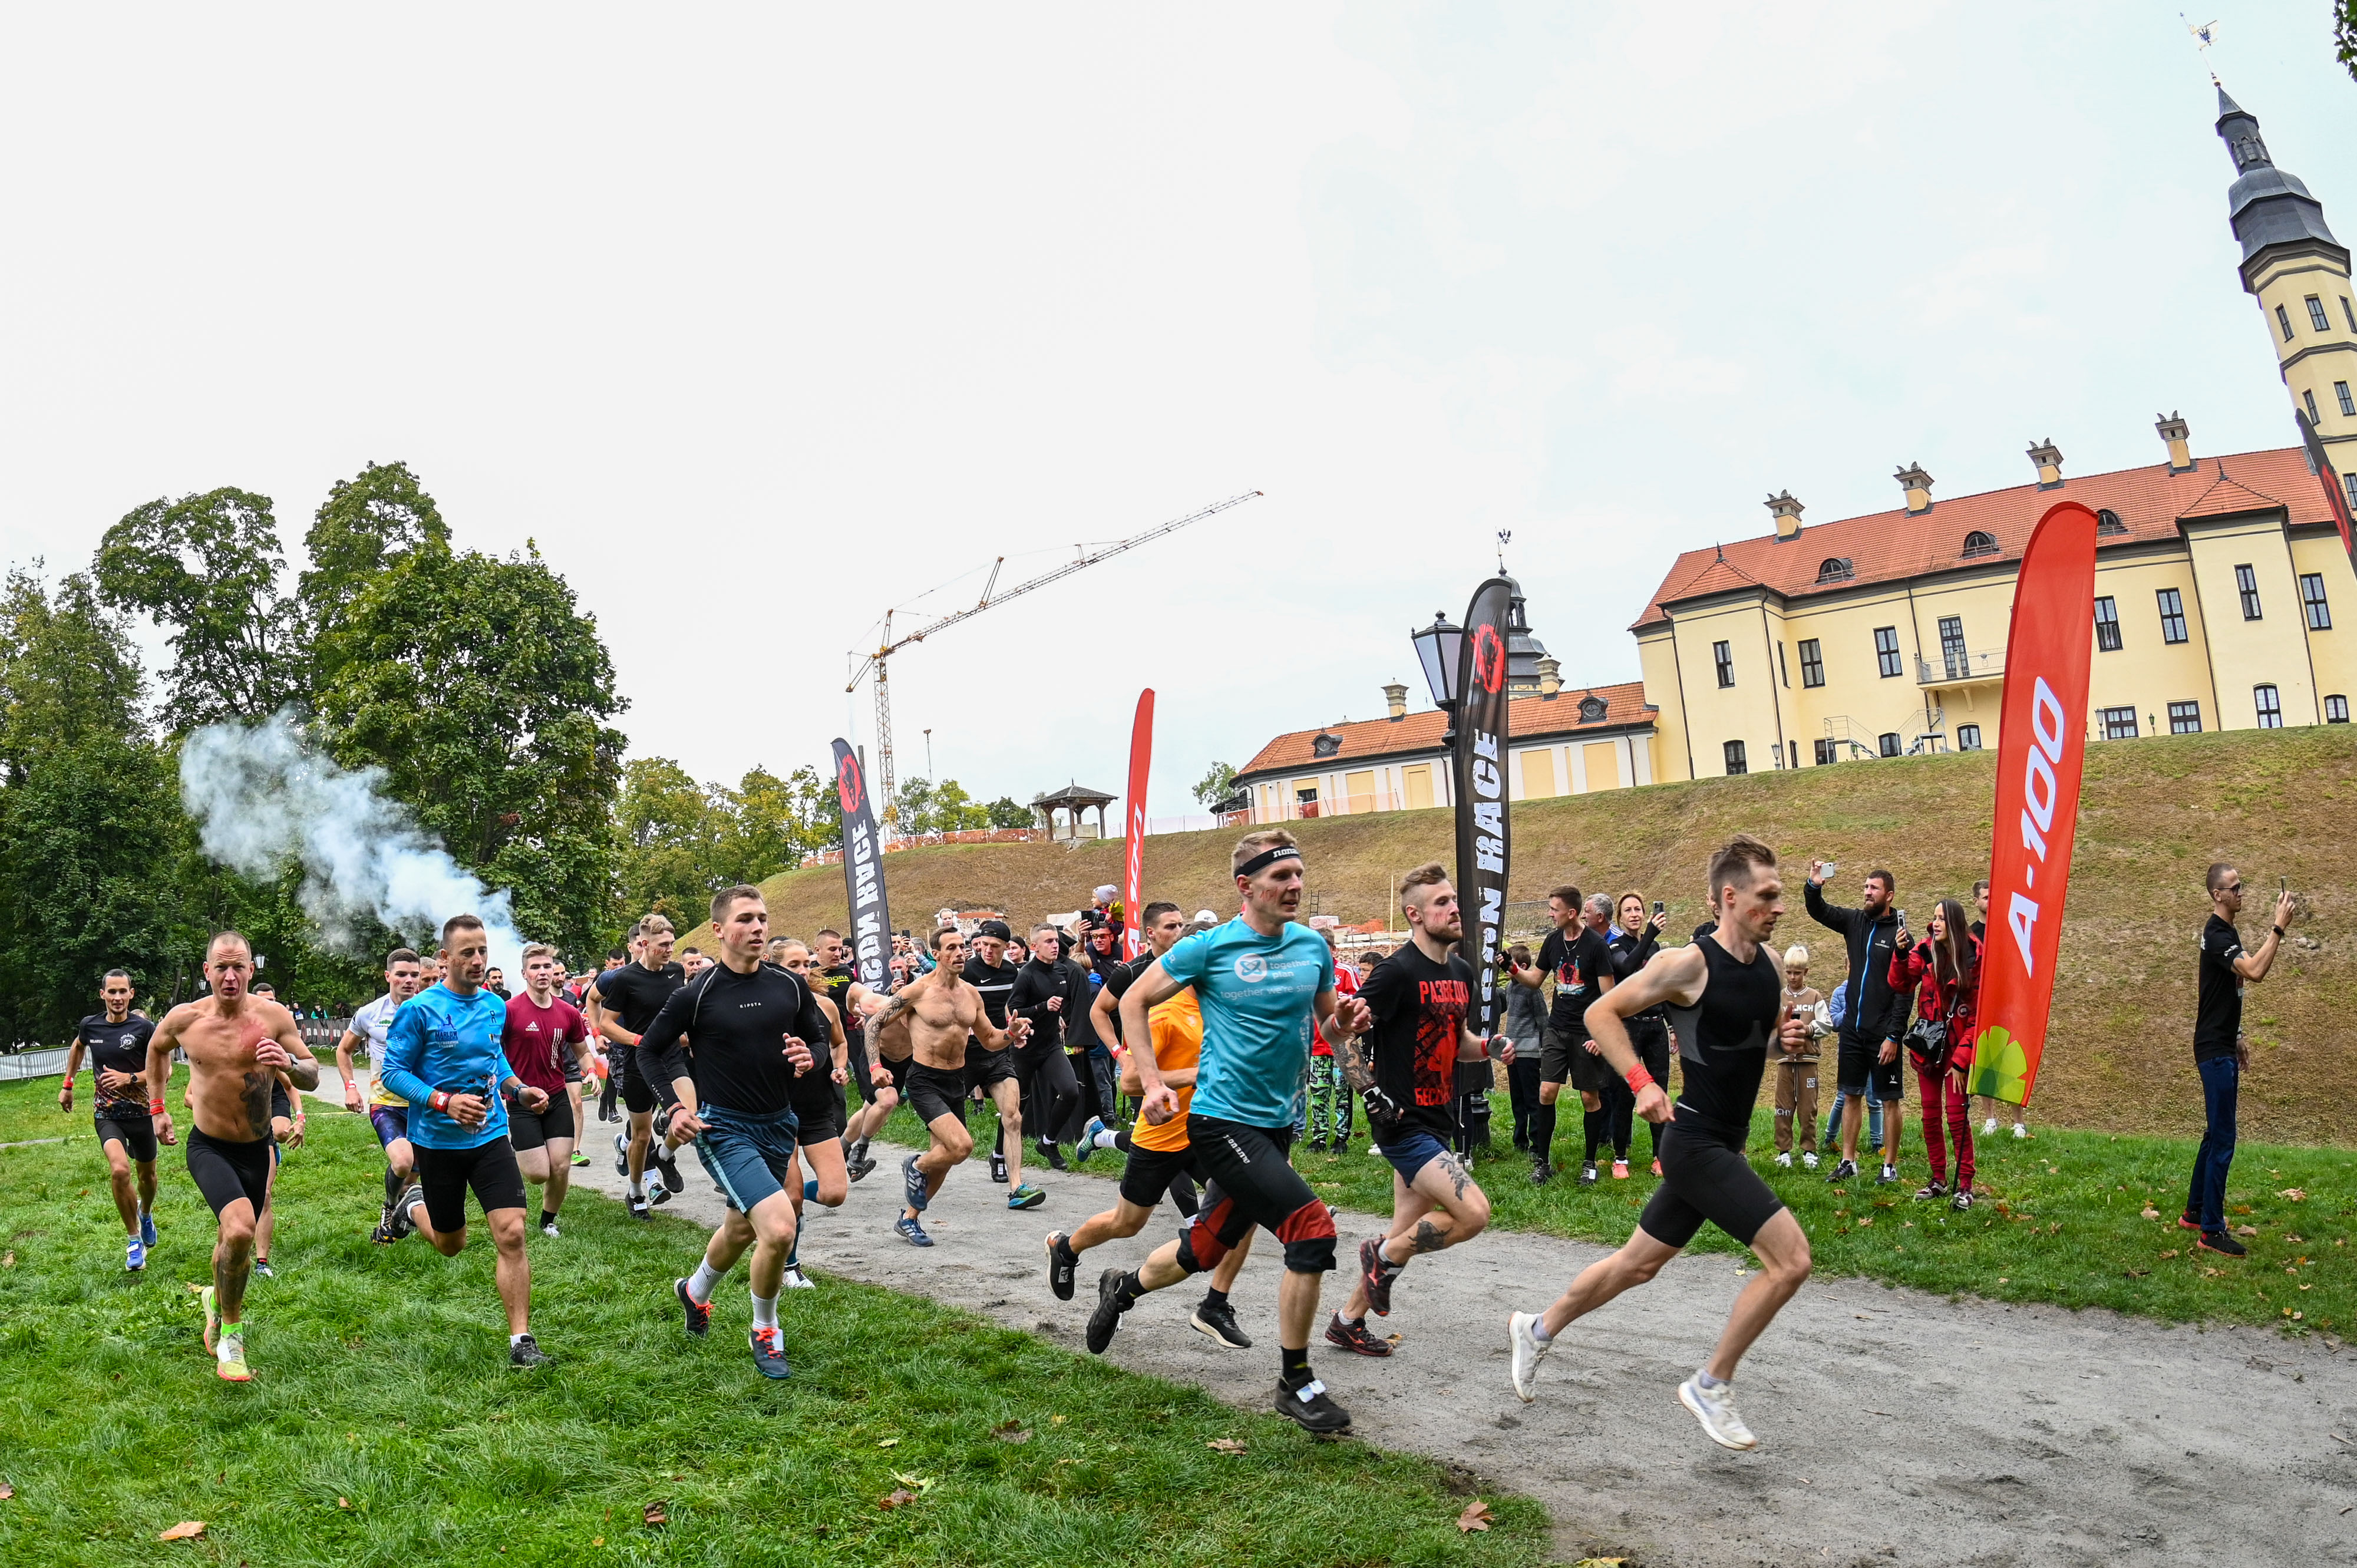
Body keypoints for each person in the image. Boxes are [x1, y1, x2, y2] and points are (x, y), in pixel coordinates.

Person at [1506, 836, 1814, 1451]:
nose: (1779, 906)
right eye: (1768, 895)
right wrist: (1642, 1082)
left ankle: (1536, 1329)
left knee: (1637, 1264)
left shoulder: (1774, 966)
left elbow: (1758, 1048)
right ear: (1730, 897)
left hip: (1727, 1142)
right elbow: (1600, 1014)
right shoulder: (1687, 964)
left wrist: (1787, 1045)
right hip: (1694, 1140)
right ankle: (1711, 1384)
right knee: (1792, 1261)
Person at [1093, 830, 1371, 1435]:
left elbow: (1331, 1024)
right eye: (1281, 877)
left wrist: (1356, 1056)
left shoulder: (1311, 948)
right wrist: (1151, 1077)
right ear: (1246, 887)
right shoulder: (1210, 949)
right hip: (1220, 1119)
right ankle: (1296, 1382)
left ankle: (1121, 1289)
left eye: (1299, 874)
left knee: (1205, 1250)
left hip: (1276, 1124)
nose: (1294, 886)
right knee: (1310, 1227)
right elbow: (1132, 1002)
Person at [1044, 918, 1259, 1352]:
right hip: (1161, 1135)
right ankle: (1066, 1248)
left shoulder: (1226, 1009)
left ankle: (1216, 1302)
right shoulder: (1165, 1010)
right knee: (1127, 1223)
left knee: (1247, 1201)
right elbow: (1129, 1084)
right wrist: (1195, 1074)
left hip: (1208, 1132)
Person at [1324, 864, 1507, 1358]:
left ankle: (1346, 1321)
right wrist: (1368, 1092)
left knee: (1408, 1227)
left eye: (1454, 899)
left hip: (1438, 1117)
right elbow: (1335, 1034)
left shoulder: (1462, 972)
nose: (1454, 908)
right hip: (1403, 1124)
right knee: (1473, 1214)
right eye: (1442, 902)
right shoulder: (1396, 971)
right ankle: (1380, 1255)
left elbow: (1461, 1043)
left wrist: (1489, 1047)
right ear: (1415, 914)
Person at [643, 888, 828, 1375]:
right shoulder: (695, 994)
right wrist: (673, 1107)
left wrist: (813, 1057)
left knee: (741, 1226)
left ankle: (695, 1291)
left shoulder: (789, 985)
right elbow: (649, 1052)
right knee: (780, 1226)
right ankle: (766, 1329)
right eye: (746, 919)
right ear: (720, 930)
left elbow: (818, 1038)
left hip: (779, 1123)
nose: (759, 927)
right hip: (724, 1128)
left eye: (763, 918)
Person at [144, 932, 321, 1381]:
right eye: (221, 967)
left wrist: (286, 1061)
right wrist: (159, 1109)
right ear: (207, 971)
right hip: (209, 1145)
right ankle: (232, 1337)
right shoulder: (185, 1019)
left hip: (257, 1148)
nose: (230, 975)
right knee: (241, 1230)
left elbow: (313, 1075)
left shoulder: (274, 1016)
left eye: (238, 966)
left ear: (251, 969)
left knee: (231, 1242)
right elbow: (156, 1051)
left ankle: (215, 1303)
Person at [382, 915, 554, 1368]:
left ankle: (522, 1342)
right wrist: (443, 1101)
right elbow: (392, 1073)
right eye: (467, 953)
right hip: (437, 1142)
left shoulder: (496, 1005)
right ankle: (411, 1207)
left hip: (491, 1135)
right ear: (444, 958)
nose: (478, 961)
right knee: (450, 1243)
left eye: (483, 951)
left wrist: (518, 1089)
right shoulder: (419, 1009)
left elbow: (495, 1055)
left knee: (512, 1232)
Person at [882, 926, 1032, 1246]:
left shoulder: (970, 994)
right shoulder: (917, 991)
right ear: (935, 954)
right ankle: (916, 1164)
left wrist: (1011, 1033)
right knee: (961, 1147)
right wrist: (873, 1065)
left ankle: (909, 1219)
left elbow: (991, 1039)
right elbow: (875, 1022)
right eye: (950, 948)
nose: (959, 953)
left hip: (955, 1079)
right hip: (924, 1080)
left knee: (946, 1158)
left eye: (962, 946)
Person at [2183, 865, 2299, 1257]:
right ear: (2217, 894)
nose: (2241, 892)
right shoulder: (2217, 935)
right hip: (2213, 1053)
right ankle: (2211, 1230)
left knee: (2213, 1134)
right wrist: (2278, 928)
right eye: (2234, 888)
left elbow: (2227, 989)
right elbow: (2255, 971)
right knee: (2223, 1140)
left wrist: (2237, 1035)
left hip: (2221, 1045)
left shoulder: (2226, 933)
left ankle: (2195, 1212)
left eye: (2241, 886)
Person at [1804, 863, 1908, 1184]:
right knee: (1851, 1095)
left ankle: (1889, 1166)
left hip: (1883, 1035)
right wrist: (1814, 884)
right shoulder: (1854, 921)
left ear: (1889, 896)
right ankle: (1848, 1161)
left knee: (1889, 1100)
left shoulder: (1900, 937)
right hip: (1852, 1030)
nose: (1867, 892)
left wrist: (1893, 1035)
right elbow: (1819, 910)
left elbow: (1905, 992)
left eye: (1874, 888)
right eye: (1865, 887)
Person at [1504, 884, 1615, 1185]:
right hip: (1556, 1030)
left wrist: (1600, 1036)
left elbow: (1609, 997)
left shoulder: (1596, 945)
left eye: (1554, 909)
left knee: (1589, 1097)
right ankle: (1543, 1161)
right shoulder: (1553, 942)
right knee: (1546, 1092)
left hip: (1585, 1034)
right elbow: (1535, 981)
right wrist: (1512, 968)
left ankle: (1590, 1163)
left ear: (1572, 913)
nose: (1550, 914)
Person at [587, 916, 688, 1218]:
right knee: (641, 1135)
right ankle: (635, 1192)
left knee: (687, 1116)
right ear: (644, 944)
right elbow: (606, 1024)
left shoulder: (676, 972)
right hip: (638, 1061)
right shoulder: (624, 978)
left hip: (671, 1056)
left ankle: (665, 1155)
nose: (670, 950)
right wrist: (640, 1041)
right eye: (664, 945)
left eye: (672, 943)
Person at [61, 970, 160, 1271]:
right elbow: (79, 1047)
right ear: (102, 994)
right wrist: (68, 1085)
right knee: (119, 1170)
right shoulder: (90, 1026)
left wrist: (129, 1078)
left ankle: (145, 1214)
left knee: (148, 1179)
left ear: (131, 994)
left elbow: (161, 1073)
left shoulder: (144, 1029)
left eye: (123, 992)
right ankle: (133, 1241)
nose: (117, 998)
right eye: (112, 992)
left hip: (141, 1114)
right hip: (107, 1114)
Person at [769, 939, 854, 1289]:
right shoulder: (765, 1010)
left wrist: (839, 1067)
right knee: (790, 1195)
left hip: (818, 1109)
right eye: (794, 965)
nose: (804, 971)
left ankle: (779, 1198)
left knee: (835, 1192)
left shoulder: (824, 1005)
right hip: (778, 1111)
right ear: (773, 967)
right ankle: (790, 1266)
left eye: (806, 964)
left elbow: (838, 1042)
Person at [333, 949, 429, 1242]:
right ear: (388, 976)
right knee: (402, 1162)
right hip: (386, 1104)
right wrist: (351, 1087)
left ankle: (402, 1212)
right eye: (401, 974)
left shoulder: (431, 1009)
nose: (409, 980)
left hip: (424, 1104)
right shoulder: (370, 1013)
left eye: (415, 975)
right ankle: (389, 1208)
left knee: (413, 1173)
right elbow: (343, 1050)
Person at [1889, 900, 1979, 1209]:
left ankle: (1965, 1184)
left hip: (1957, 1050)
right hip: (1929, 1047)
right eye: (1934, 917)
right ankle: (1938, 1179)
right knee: (1930, 1114)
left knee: (1957, 1117)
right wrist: (1900, 954)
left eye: (1941, 918)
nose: (1935, 923)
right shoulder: (1926, 950)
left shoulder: (1975, 956)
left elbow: (1979, 1017)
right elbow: (1901, 984)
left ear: (1954, 922)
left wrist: (1961, 1061)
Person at [505, 943, 596, 1237]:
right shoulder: (510, 1011)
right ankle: (513, 1148)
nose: (542, 972)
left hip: (556, 1096)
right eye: (535, 967)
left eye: (547, 967)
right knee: (538, 1174)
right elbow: (494, 1055)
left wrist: (591, 1071)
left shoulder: (568, 1012)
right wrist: (514, 1088)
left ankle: (548, 1221)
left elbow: (582, 1052)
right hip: (523, 1099)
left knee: (560, 1166)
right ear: (524, 974)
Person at [960, 920, 1038, 1203]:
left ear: (1007, 948)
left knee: (1013, 1117)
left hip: (996, 1055)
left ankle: (1016, 1187)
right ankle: (923, 1168)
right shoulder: (966, 972)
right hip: (964, 1056)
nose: (988, 951)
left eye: (995, 947)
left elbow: (1006, 1005)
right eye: (983, 946)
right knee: (950, 1131)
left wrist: (1013, 1029)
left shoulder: (1010, 971)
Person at [1008, 922, 1086, 1177]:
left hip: (1051, 1046)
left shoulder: (1062, 971)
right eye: (1049, 942)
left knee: (1071, 1092)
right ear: (1034, 947)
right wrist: (1044, 1008)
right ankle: (998, 1155)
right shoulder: (1027, 975)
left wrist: (1058, 1017)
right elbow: (1014, 1012)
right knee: (1014, 1106)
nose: (1055, 946)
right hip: (1026, 1049)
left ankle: (1048, 1141)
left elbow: (1056, 1006)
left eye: (1056, 941)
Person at [1608, 892, 1672, 1177]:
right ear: (1619, 918)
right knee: (1625, 1093)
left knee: (1659, 1091)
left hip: (1655, 1024)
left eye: (1638, 909)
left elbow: (1662, 987)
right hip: (1629, 1027)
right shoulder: (1614, 945)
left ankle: (1660, 1156)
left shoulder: (1655, 946)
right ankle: (1620, 1157)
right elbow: (1626, 966)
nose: (1634, 914)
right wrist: (1649, 935)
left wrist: (1673, 1027)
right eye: (1628, 910)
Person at [1302, 927, 1360, 1154]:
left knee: (1342, 1092)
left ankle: (1341, 1137)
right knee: (1318, 1093)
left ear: (1333, 950)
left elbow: (1358, 1001)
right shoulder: (1307, 974)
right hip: (1317, 1047)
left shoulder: (1344, 973)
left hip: (1341, 1045)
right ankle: (1319, 1137)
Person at [1772, 945, 1824, 1170]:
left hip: (1808, 1061)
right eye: (1789, 972)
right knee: (1783, 1106)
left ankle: (1809, 1150)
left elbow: (1826, 1024)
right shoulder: (1779, 997)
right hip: (1785, 1061)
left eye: (1798, 973)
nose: (1793, 977)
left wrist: (1809, 1029)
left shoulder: (1814, 996)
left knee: (1807, 1107)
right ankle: (1784, 1151)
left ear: (1807, 972)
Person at [1500, 944, 1547, 1156]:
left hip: (1529, 1053)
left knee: (1531, 1100)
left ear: (1523, 966)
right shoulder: (1511, 987)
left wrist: (1545, 1047)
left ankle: (1537, 1144)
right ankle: (1520, 1140)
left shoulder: (1532, 989)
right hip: (1513, 1053)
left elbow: (1542, 1019)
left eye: (1511, 964)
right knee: (1517, 1099)